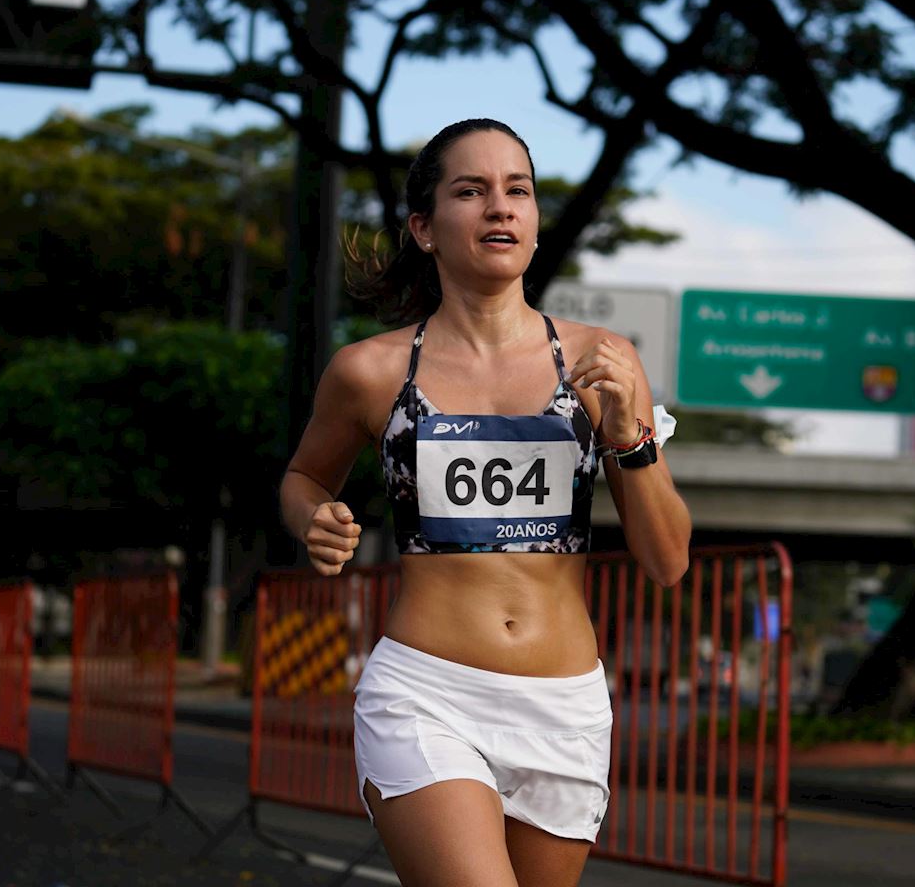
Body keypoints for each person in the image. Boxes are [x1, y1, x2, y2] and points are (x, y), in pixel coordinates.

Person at [280, 118, 691, 887]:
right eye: (471, 191)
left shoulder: (605, 359)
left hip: (564, 707)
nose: (500, 207)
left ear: (534, 223)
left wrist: (629, 435)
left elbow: (667, 562)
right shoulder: (369, 372)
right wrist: (313, 517)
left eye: (518, 191)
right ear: (425, 228)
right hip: (427, 694)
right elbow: (303, 478)